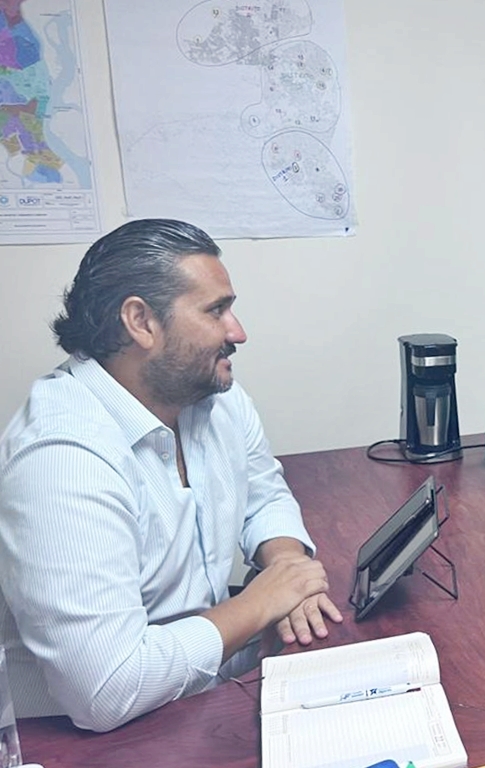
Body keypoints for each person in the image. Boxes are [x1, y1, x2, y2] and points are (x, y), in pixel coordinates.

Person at [0, 219, 343, 732]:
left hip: (203, 691)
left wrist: (288, 565)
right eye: (216, 310)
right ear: (141, 322)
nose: (238, 332)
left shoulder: (213, 397)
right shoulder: (62, 457)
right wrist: (261, 602)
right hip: (93, 739)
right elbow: (106, 689)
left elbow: (263, 493)